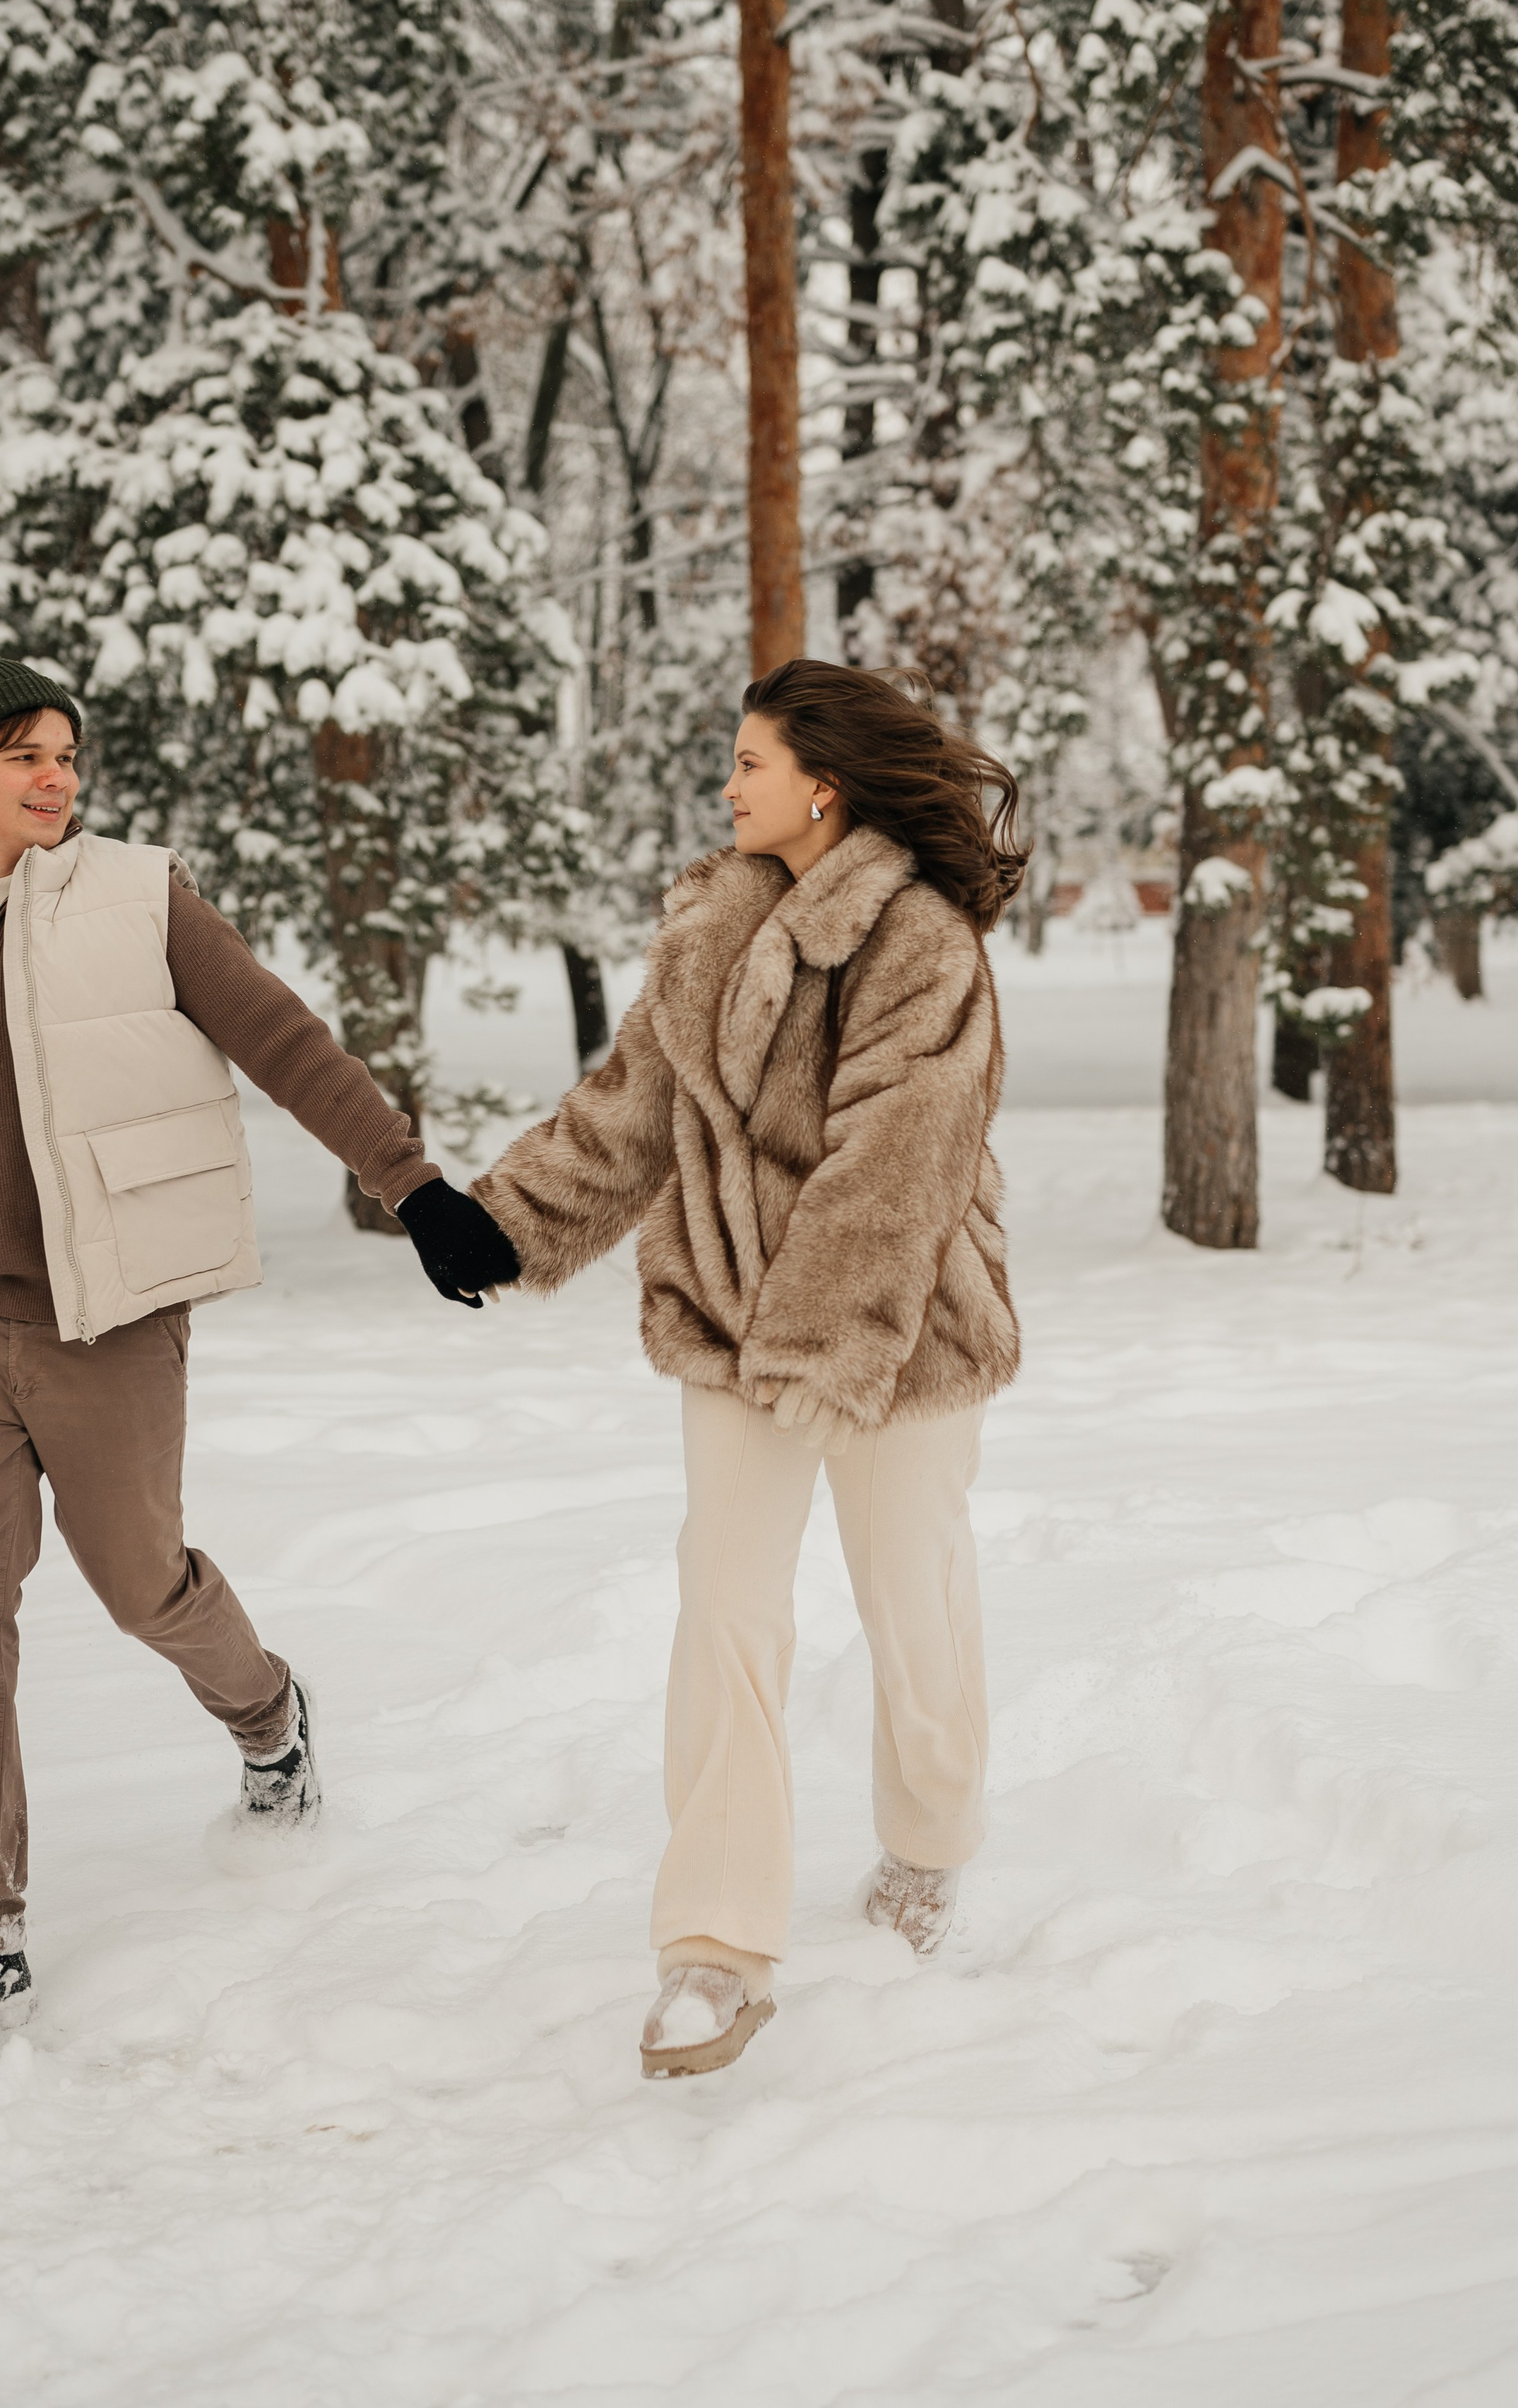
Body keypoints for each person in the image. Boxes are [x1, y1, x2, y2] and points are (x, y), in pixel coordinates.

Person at [0, 642, 518, 2036]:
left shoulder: (136, 900)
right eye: (26, 754)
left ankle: (268, 1717)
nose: (57, 777)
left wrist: (411, 1186)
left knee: (141, 1583)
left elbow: (284, 1041)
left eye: (67, 753)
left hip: (103, 1320)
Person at [472, 660, 1025, 2078]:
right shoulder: (710, 925)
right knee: (724, 1605)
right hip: (725, 1322)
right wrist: (500, 1223)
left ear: (820, 784)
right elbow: (629, 1110)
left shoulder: (919, 942)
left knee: (915, 1603)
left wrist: (823, 1342)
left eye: (746, 762)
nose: (726, 786)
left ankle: (927, 1836)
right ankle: (712, 1948)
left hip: (894, 1332)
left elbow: (896, 1159)